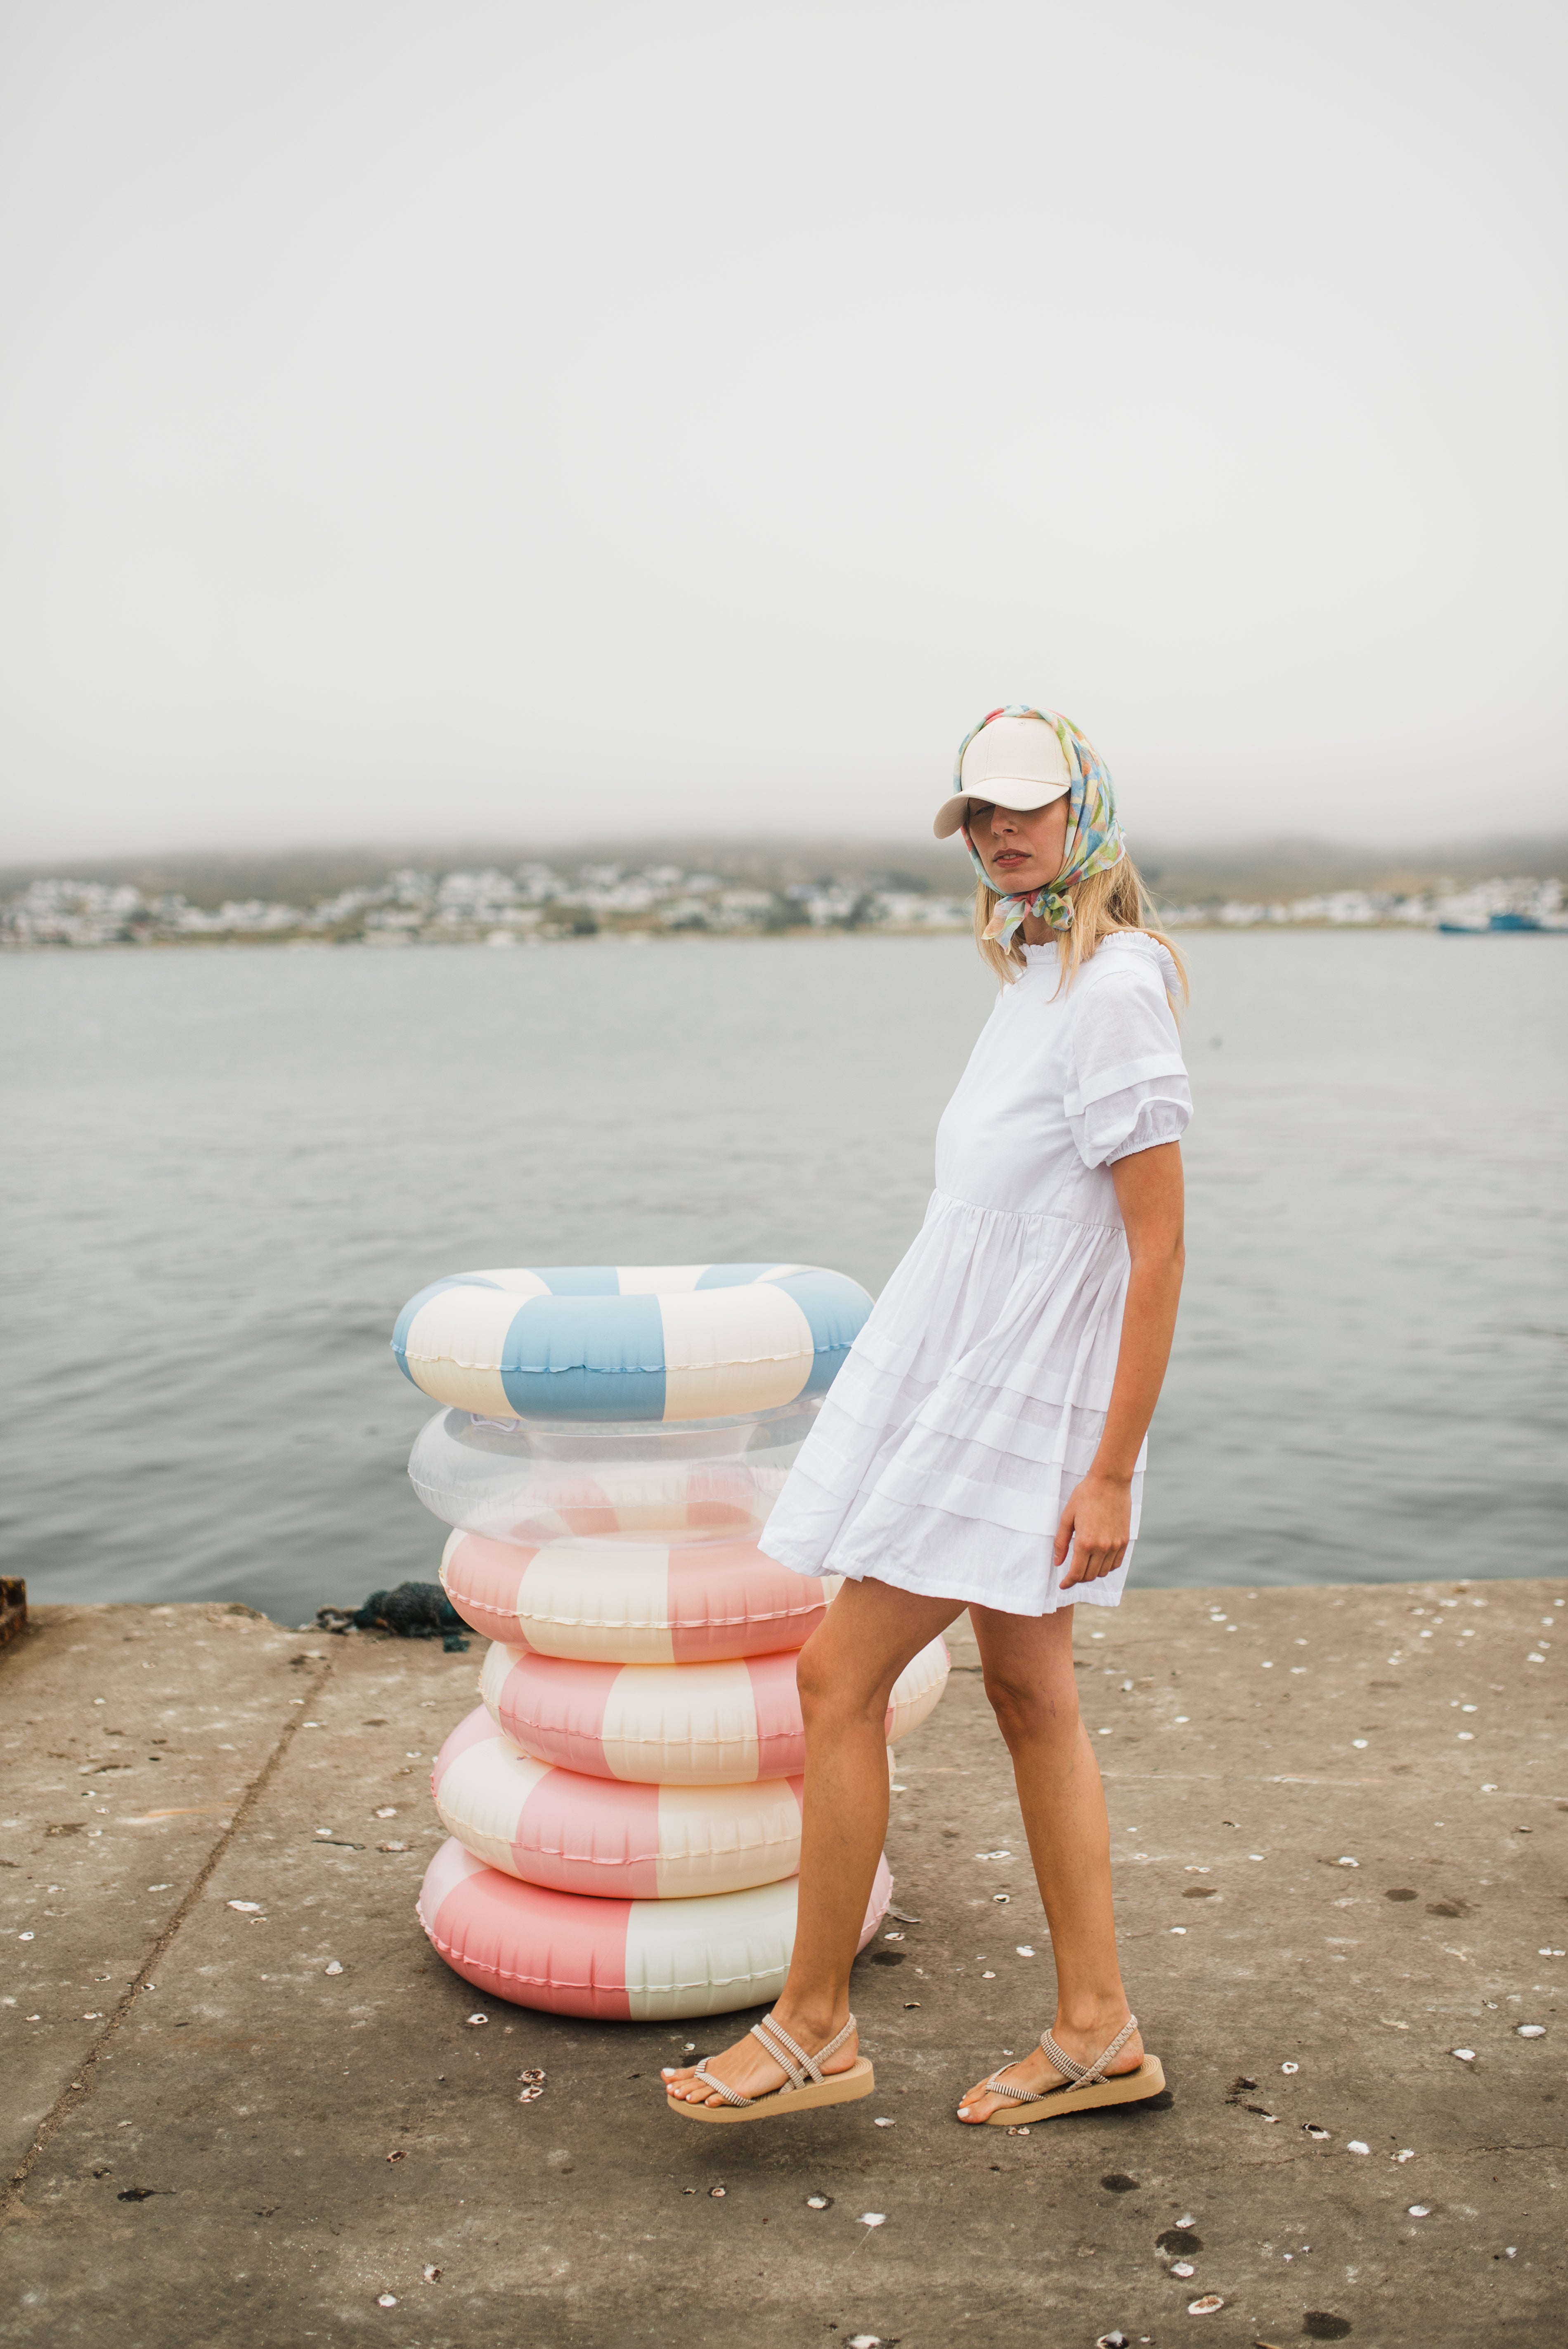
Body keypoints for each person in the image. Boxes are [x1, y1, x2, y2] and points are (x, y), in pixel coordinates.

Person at [663, 705, 1191, 2127]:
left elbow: (1158, 1249)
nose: (1001, 829)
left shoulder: (1116, 987)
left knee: (837, 1680)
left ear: (1090, 810)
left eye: (1027, 805)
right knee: (1032, 1695)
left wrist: (1114, 1471)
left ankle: (814, 2023)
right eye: (978, 811)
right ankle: (1099, 2031)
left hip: (1027, 1411)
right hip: (979, 1385)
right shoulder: (1034, 975)